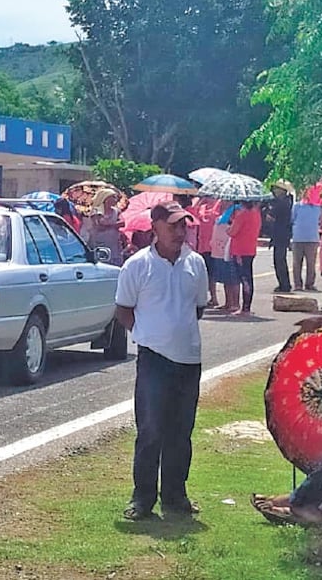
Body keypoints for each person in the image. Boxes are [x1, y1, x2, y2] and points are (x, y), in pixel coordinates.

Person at [115, 201, 209, 521]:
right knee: (151, 430)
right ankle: (143, 498)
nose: (179, 232)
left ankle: (175, 495)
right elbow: (123, 310)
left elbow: (198, 308)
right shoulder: (137, 266)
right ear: (155, 226)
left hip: (188, 359)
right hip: (154, 359)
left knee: (181, 432)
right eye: (173, 226)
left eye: (183, 226)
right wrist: (147, 334)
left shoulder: (195, 264)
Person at [227, 201, 262, 316]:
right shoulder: (256, 214)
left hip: (240, 249)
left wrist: (230, 225)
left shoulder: (242, 215)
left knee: (244, 278)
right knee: (248, 277)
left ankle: (245, 308)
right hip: (250, 248)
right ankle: (247, 306)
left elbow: (232, 232)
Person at [191, 196, 220, 308]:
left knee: (212, 273)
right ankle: (207, 297)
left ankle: (214, 297)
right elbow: (193, 214)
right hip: (202, 244)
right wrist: (199, 201)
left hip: (213, 244)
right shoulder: (201, 207)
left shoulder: (217, 205)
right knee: (204, 273)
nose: (209, 198)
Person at [268, 182, 294, 293]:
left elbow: (271, 217)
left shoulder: (282, 203)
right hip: (282, 234)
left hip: (281, 233)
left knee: (279, 260)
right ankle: (284, 283)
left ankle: (284, 284)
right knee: (279, 260)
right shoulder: (286, 201)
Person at [292, 196, 322, 292]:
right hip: (298, 237)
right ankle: (298, 284)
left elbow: (321, 220)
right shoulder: (297, 206)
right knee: (297, 263)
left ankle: (309, 284)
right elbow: (292, 219)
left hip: (312, 238)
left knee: (311, 263)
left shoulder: (318, 207)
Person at [88, 188, 125, 266]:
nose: (115, 200)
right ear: (106, 198)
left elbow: (122, 223)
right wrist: (114, 225)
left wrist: (109, 225)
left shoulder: (116, 211)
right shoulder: (96, 211)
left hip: (113, 244)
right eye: (113, 197)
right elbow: (99, 226)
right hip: (99, 242)